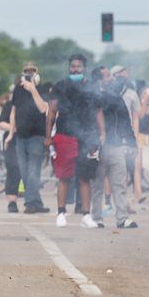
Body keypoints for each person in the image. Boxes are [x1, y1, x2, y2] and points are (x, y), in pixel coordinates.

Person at [45, 54, 105, 228]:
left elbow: (98, 111)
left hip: (87, 137)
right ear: (69, 68)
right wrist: (48, 137)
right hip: (64, 136)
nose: (75, 69)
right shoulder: (61, 86)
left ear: (85, 68)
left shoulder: (92, 87)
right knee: (64, 178)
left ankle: (86, 216)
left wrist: (103, 133)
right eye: (73, 66)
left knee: (84, 178)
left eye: (79, 67)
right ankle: (61, 214)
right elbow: (51, 111)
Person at [91, 67, 136, 228]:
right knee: (97, 186)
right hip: (98, 148)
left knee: (119, 185)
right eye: (108, 75)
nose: (112, 78)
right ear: (99, 80)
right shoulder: (92, 97)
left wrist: (132, 143)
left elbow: (125, 121)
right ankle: (96, 218)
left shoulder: (115, 97)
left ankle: (123, 218)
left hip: (116, 146)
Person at [11, 61, 50, 214]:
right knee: (25, 171)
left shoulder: (42, 89)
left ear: (36, 73)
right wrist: (10, 134)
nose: (29, 74)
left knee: (33, 171)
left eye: (32, 71)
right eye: (26, 71)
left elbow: (43, 108)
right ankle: (36, 202)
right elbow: (13, 111)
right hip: (20, 135)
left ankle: (30, 204)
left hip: (36, 136)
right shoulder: (17, 91)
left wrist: (33, 90)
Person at [0, 92, 21, 214]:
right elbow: (1, 123)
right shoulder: (9, 105)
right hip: (12, 141)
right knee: (13, 170)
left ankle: (33, 202)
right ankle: (12, 202)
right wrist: (14, 129)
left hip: (28, 139)